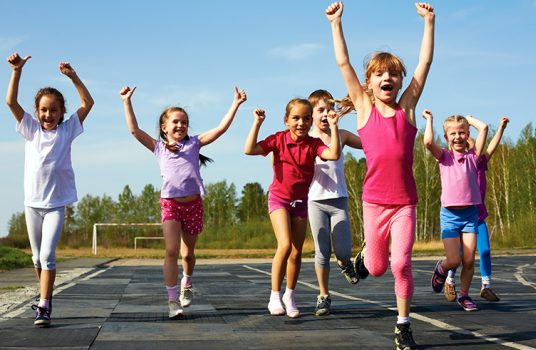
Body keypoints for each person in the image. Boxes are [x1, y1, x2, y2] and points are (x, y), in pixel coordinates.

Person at [325, 1, 434, 348]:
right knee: (375, 268)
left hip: (404, 204)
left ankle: (403, 324)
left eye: (394, 74)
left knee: (401, 263)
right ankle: (363, 257)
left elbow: (425, 63)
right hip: (374, 204)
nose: (388, 78)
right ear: (369, 83)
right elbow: (343, 63)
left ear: (400, 81)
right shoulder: (364, 108)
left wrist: (429, 23)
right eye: (379, 74)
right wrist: (336, 23)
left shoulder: (408, 109)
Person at [120, 85, 246, 319]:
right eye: (175, 122)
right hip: (171, 204)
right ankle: (171, 300)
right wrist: (127, 101)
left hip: (193, 204)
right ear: (164, 127)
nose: (180, 126)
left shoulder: (194, 144)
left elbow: (220, 129)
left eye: (184, 122)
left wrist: (235, 104)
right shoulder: (158, 147)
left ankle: (187, 283)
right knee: (171, 251)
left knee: (188, 255)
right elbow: (135, 131)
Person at [6, 53, 94, 326]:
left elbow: (87, 102)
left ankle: (43, 305)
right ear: (37, 112)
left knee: (47, 256)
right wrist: (17, 71)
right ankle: (46, 295)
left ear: (61, 113)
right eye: (44, 110)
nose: (48, 114)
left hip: (56, 204)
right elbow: (10, 101)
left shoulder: (67, 131)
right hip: (32, 204)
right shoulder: (31, 130)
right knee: (36, 257)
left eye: (53, 110)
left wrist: (72, 76)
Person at [244, 98, 340, 318]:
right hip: (279, 199)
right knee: (285, 245)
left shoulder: (313, 144)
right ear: (286, 120)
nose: (301, 123)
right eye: (296, 118)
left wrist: (334, 127)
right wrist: (257, 123)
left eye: (307, 118)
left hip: (300, 203)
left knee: (296, 253)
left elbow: (333, 154)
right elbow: (249, 149)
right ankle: (274, 295)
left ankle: (289, 295)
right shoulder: (278, 139)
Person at [422, 109, 488, 313]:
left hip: (469, 215)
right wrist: (430, 120)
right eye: (453, 133)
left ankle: (465, 295)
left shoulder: (473, 157)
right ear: (447, 137)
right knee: (454, 260)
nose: (458, 137)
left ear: (468, 135)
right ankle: (440, 269)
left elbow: (484, 127)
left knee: (469, 260)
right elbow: (427, 143)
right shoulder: (444, 157)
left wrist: (469, 120)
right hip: (450, 216)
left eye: (462, 133)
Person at [307, 89, 362, 316]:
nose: (326, 114)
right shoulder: (306, 138)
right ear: (310, 114)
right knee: (322, 251)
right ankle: (323, 295)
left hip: (338, 200)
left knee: (341, 252)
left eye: (330, 109)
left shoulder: (342, 135)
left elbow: (368, 143)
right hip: (315, 201)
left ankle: (345, 263)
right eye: (320, 110)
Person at [444, 117, 510, 303]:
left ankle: (486, 286)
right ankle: (449, 281)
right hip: (459, 215)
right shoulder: (458, 161)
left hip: (478, 216)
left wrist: (501, 129)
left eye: (470, 138)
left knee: (485, 252)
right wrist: (466, 121)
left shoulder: (479, 162)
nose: (470, 142)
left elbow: (492, 146)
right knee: (457, 255)